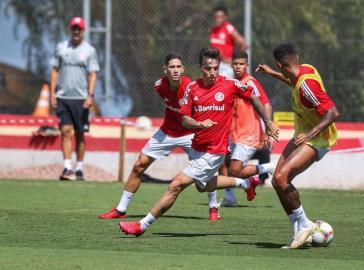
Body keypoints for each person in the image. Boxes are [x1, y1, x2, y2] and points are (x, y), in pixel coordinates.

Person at [118, 48, 279, 237]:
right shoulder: (192, 88)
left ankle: (142, 225)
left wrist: (268, 123)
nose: (212, 73)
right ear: (200, 67)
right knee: (204, 185)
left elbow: (254, 98)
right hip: (197, 147)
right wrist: (199, 123)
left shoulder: (230, 85)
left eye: (216, 68)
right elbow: (184, 119)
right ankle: (246, 183)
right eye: (208, 68)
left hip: (214, 151)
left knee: (176, 185)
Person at [99, 53, 212, 218]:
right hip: (166, 132)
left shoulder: (191, 87)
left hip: (190, 133)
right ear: (165, 69)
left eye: (178, 67)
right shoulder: (159, 86)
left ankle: (213, 208)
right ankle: (120, 210)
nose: (175, 70)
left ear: (183, 69)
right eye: (171, 67)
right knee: (139, 165)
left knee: (205, 174)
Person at [256, 44, 340, 249]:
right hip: (304, 136)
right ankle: (301, 227)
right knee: (278, 181)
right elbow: (293, 82)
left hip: (316, 139)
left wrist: (309, 134)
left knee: (281, 178)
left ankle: (304, 226)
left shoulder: (306, 85)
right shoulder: (306, 70)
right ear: (296, 58)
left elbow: (333, 113)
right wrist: (273, 73)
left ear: (280, 63)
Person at [217, 51, 274, 207]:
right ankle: (230, 197)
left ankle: (268, 168)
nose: (238, 67)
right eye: (235, 64)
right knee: (222, 163)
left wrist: (268, 128)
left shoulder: (250, 82)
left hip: (248, 133)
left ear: (247, 65)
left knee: (235, 171)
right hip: (233, 133)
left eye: (241, 64)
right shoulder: (231, 82)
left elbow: (266, 104)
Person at [50, 17, 99, 181]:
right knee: (65, 132)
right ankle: (66, 168)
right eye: (74, 28)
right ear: (70, 29)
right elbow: (55, 71)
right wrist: (52, 93)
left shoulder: (90, 50)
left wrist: (90, 96)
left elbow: (92, 74)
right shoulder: (61, 47)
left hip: (81, 99)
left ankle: (79, 169)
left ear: (83, 30)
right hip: (63, 97)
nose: (76, 31)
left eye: (79, 28)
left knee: (80, 134)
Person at [209, 6, 248, 78]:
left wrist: (235, 59)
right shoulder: (212, 30)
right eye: (216, 16)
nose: (218, 19)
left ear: (225, 17)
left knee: (223, 87)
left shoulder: (229, 28)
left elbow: (243, 44)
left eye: (220, 17)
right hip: (214, 64)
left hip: (226, 66)